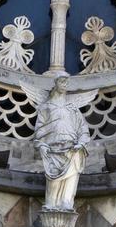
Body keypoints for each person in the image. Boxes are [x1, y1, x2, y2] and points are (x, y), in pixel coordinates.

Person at [33, 77, 90, 212]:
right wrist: (41, 145)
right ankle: (51, 205)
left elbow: (83, 129)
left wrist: (81, 143)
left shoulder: (72, 109)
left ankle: (67, 204)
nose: (64, 85)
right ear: (55, 84)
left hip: (72, 149)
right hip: (53, 149)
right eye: (61, 82)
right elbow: (39, 130)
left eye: (66, 83)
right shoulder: (46, 107)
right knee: (52, 186)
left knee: (71, 180)